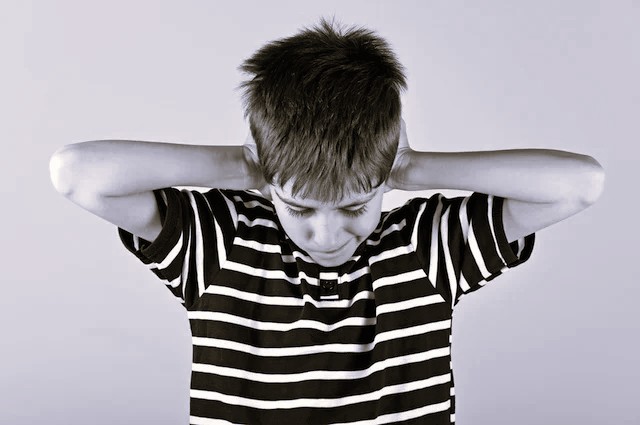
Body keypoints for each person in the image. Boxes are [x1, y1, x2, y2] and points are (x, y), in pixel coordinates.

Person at [49, 19, 604, 425]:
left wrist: (410, 167)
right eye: (301, 208)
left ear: (384, 182)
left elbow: (580, 183)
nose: (328, 234)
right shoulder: (220, 244)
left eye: (355, 207)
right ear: (267, 183)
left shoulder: (426, 248)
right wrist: (246, 164)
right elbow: (76, 174)